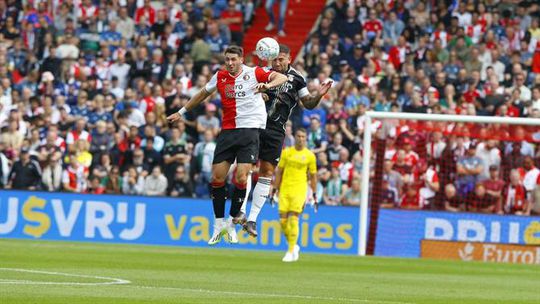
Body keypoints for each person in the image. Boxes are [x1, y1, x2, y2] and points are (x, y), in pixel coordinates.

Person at [167, 45, 288, 246]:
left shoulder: (254, 72)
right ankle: (218, 225)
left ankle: (232, 222)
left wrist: (267, 86)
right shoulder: (220, 76)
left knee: (241, 177)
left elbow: (281, 78)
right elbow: (202, 93)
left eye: (234, 59)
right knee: (217, 177)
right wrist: (181, 112)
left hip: (250, 131)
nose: (230, 63)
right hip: (228, 132)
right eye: (227, 60)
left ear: (241, 59)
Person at [237, 44, 332, 237]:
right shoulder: (263, 73)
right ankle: (240, 210)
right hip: (255, 124)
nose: (277, 62)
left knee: (267, 172)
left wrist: (319, 95)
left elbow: (308, 104)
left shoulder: (298, 79)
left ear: (289, 59)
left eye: (281, 59)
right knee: (246, 167)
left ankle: (252, 219)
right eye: (275, 59)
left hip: (276, 130)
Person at [273, 128, 317, 262]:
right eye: (299, 136)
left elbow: (313, 177)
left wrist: (314, 194)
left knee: (294, 219)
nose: (301, 138)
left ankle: (290, 251)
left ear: (306, 138)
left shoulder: (310, 156)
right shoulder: (286, 153)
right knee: (283, 222)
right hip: (285, 189)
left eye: (303, 136)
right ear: (295, 137)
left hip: (300, 189)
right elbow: (279, 172)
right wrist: (275, 188)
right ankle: (294, 245)